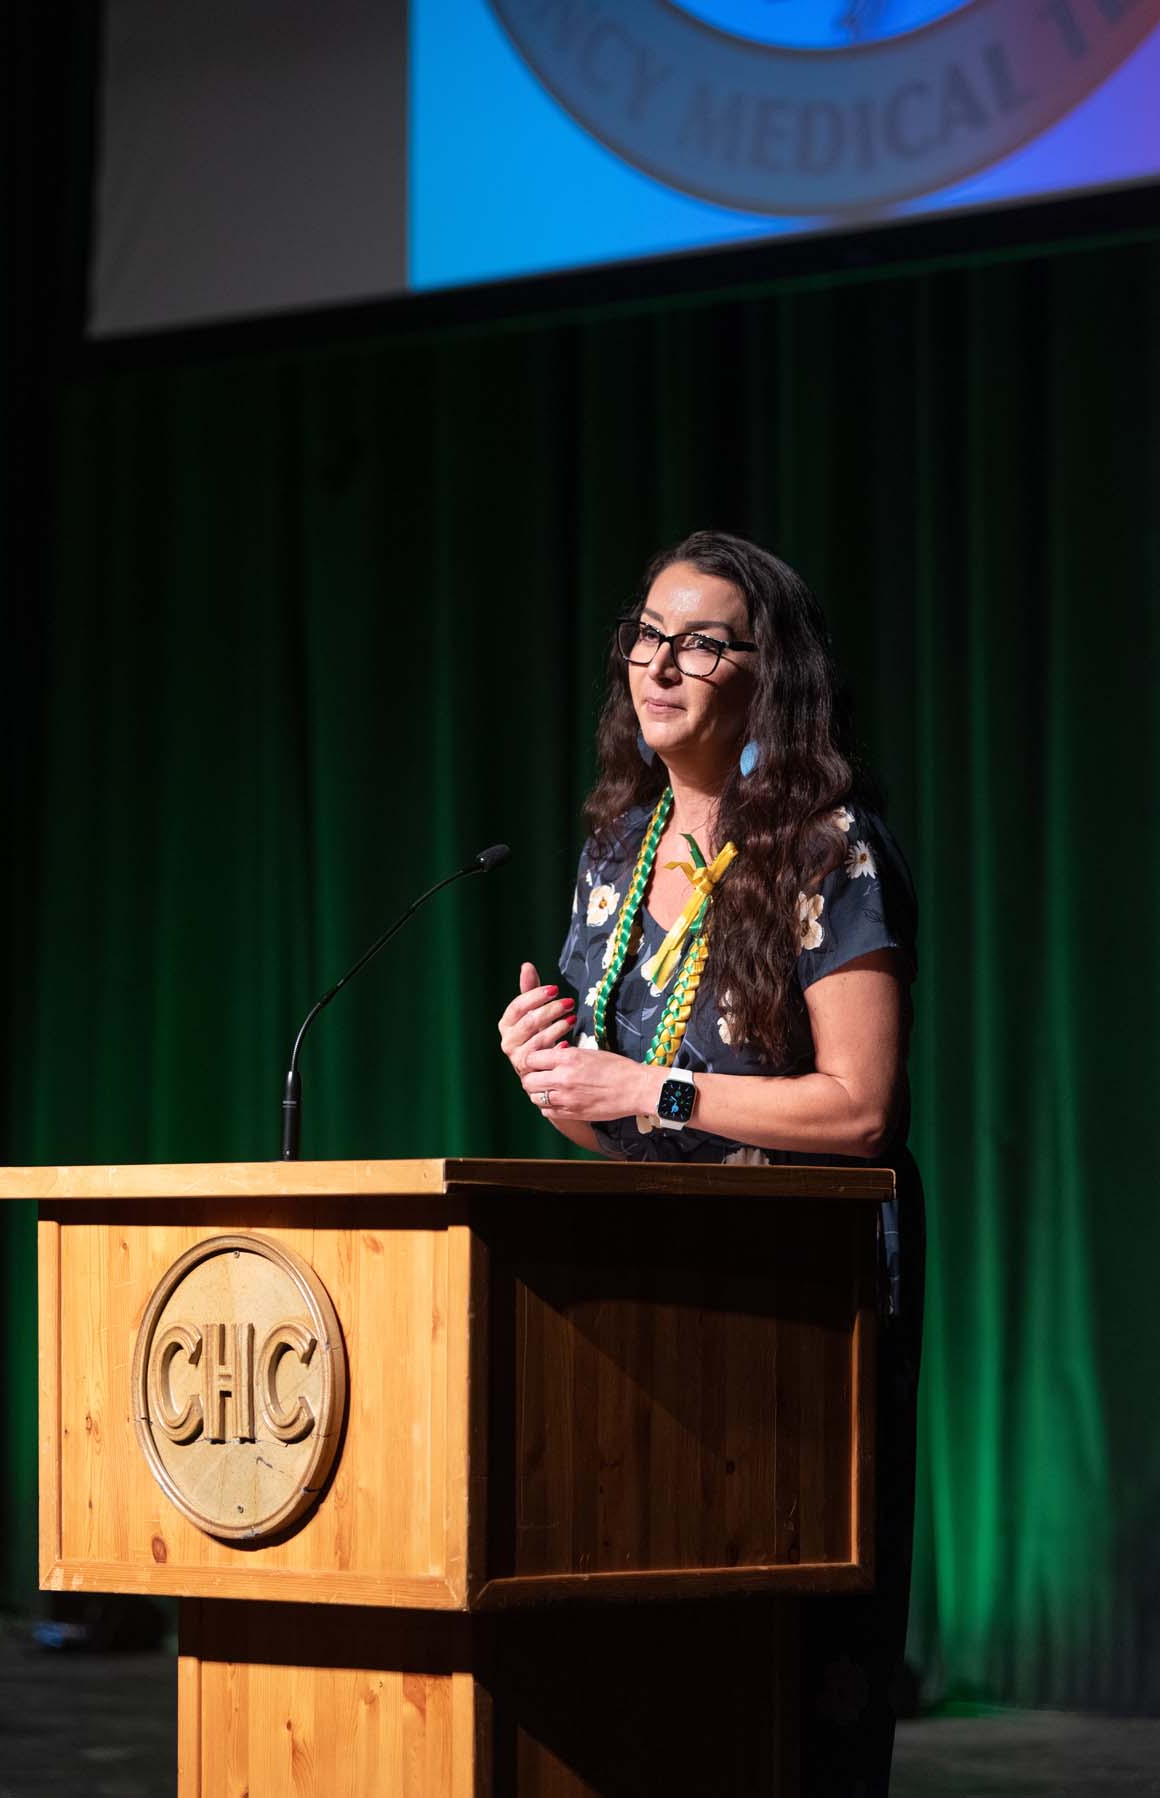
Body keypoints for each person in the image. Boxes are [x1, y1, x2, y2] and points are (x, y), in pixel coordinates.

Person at [497, 530, 923, 1796]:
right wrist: (553, 1076)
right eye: (647, 635)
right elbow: (620, 1124)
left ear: (766, 671)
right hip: (657, 1273)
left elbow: (862, 1111)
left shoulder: (825, 848)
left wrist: (648, 1086)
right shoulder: (615, 856)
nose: (660, 664)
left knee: (790, 1652)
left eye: (700, 642)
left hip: (803, 1290)